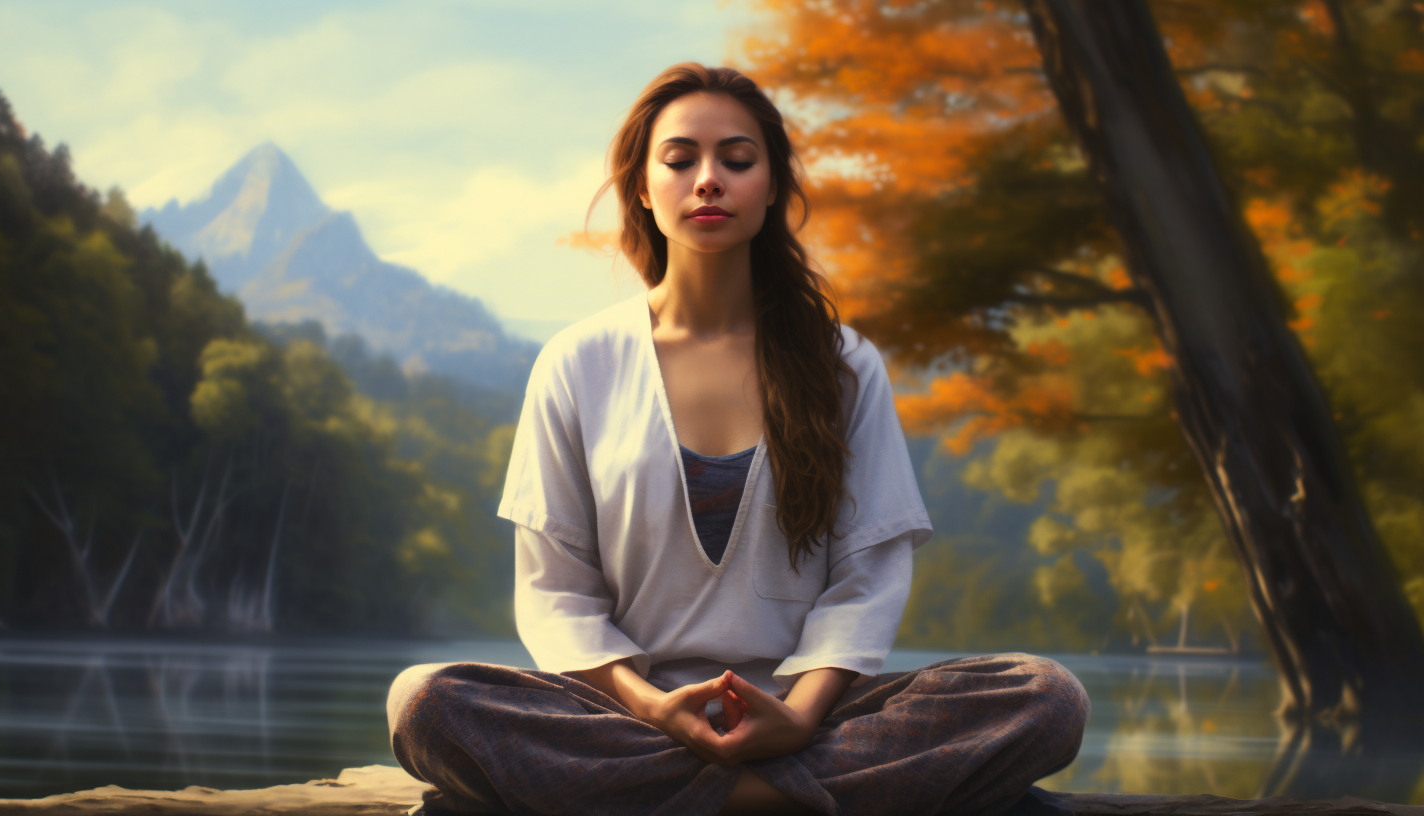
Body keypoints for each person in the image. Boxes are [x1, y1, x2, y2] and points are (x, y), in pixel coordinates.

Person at [386, 63, 1090, 816]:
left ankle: (690, 797)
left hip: (808, 720)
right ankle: (769, 802)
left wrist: (800, 714)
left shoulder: (843, 363)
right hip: (628, 719)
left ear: (772, 186)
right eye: (681, 159)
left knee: (1045, 697)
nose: (709, 180)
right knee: (425, 701)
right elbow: (555, 592)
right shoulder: (576, 363)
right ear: (642, 186)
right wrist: (654, 708)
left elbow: (868, 578)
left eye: (737, 160)